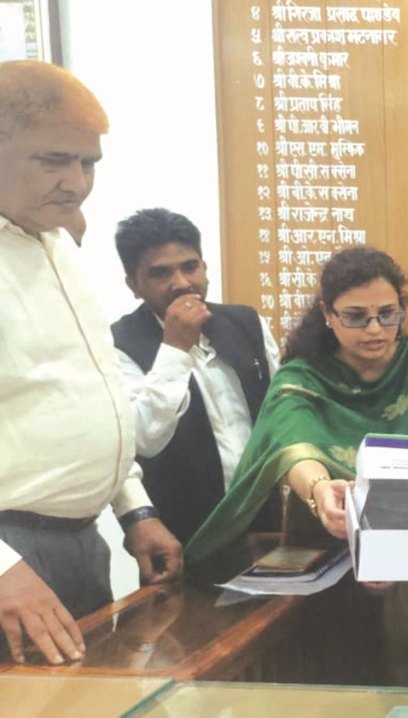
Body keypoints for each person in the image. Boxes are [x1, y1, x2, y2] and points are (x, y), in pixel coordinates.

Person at [186, 246, 408, 684]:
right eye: (355, 317)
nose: (375, 329)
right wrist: (319, 490)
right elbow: (292, 441)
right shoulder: (303, 377)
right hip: (324, 549)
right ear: (328, 315)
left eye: (387, 314)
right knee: (333, 677)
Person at [0, 60, 182, 665]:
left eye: (89, 163)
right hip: (12, 559)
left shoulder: (53, 244)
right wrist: (2, 569)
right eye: (54, 160)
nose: (76, 183)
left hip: (77, 543)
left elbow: (89, 391)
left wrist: (134, 509)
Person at [111, 208, 280, 545]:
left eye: (190, 267)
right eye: (160, 273)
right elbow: (143, 438)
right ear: (134, 284)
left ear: (204, 267)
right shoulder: (117, 344)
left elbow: (280, 410)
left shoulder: (247, 323)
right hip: (182, 537)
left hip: (266, 525)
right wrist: (175, 348)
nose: (182, 283)